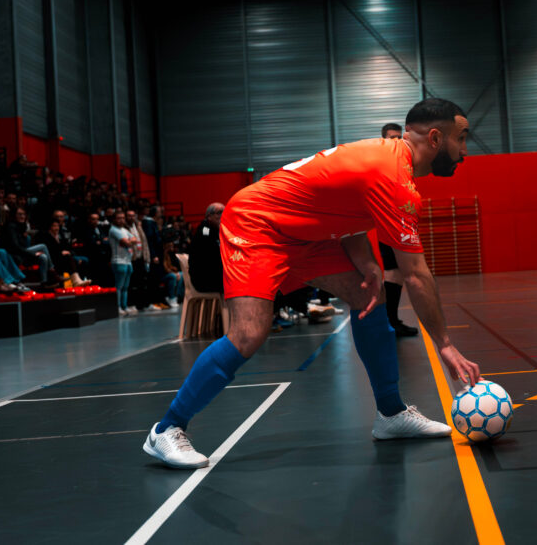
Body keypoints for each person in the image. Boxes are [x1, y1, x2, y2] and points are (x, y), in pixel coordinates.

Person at [143, 98, 480, 469]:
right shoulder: (393, 175)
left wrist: (366, 262)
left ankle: (391, 414)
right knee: (248, 333)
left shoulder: (388, 161)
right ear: (435, 137)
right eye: (461, 139)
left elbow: (346, 208)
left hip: (306, 234)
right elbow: (415, 274)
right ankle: (166, 428)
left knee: (369, 292)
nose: (464, 150)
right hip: (257, 224)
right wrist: (445, 345)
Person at [378, 122, 418, 337]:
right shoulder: (383, 162)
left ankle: (391, 321)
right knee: (393, 272)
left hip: (398, 221)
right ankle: (389, 322)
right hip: (387, 222)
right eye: (391, 137)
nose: (396, 141)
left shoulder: (402, 162)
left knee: (398, 273)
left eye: (398, 137)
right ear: (384, 139)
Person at [188, 203, 224, 294]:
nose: (222, 215)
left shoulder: (215, 230)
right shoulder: (205, 229)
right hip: (203, 279)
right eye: (219, 213)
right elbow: (211, 254)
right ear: (209, 216)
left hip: (211, 275)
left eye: (224, 212)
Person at [108, 210, 137, 316]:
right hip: (118, 261)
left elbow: (135, 238)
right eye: (119, 218)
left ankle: (124, 306)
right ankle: (118, 307)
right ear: (114, 219)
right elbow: (127, 243)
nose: (121, 220)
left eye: (123, 218)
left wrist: (131, 241)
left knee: (126, 286)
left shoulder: (124, 230)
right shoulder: (114, 230)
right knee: (119, 286)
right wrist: (130, 241)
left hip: (128, 261)